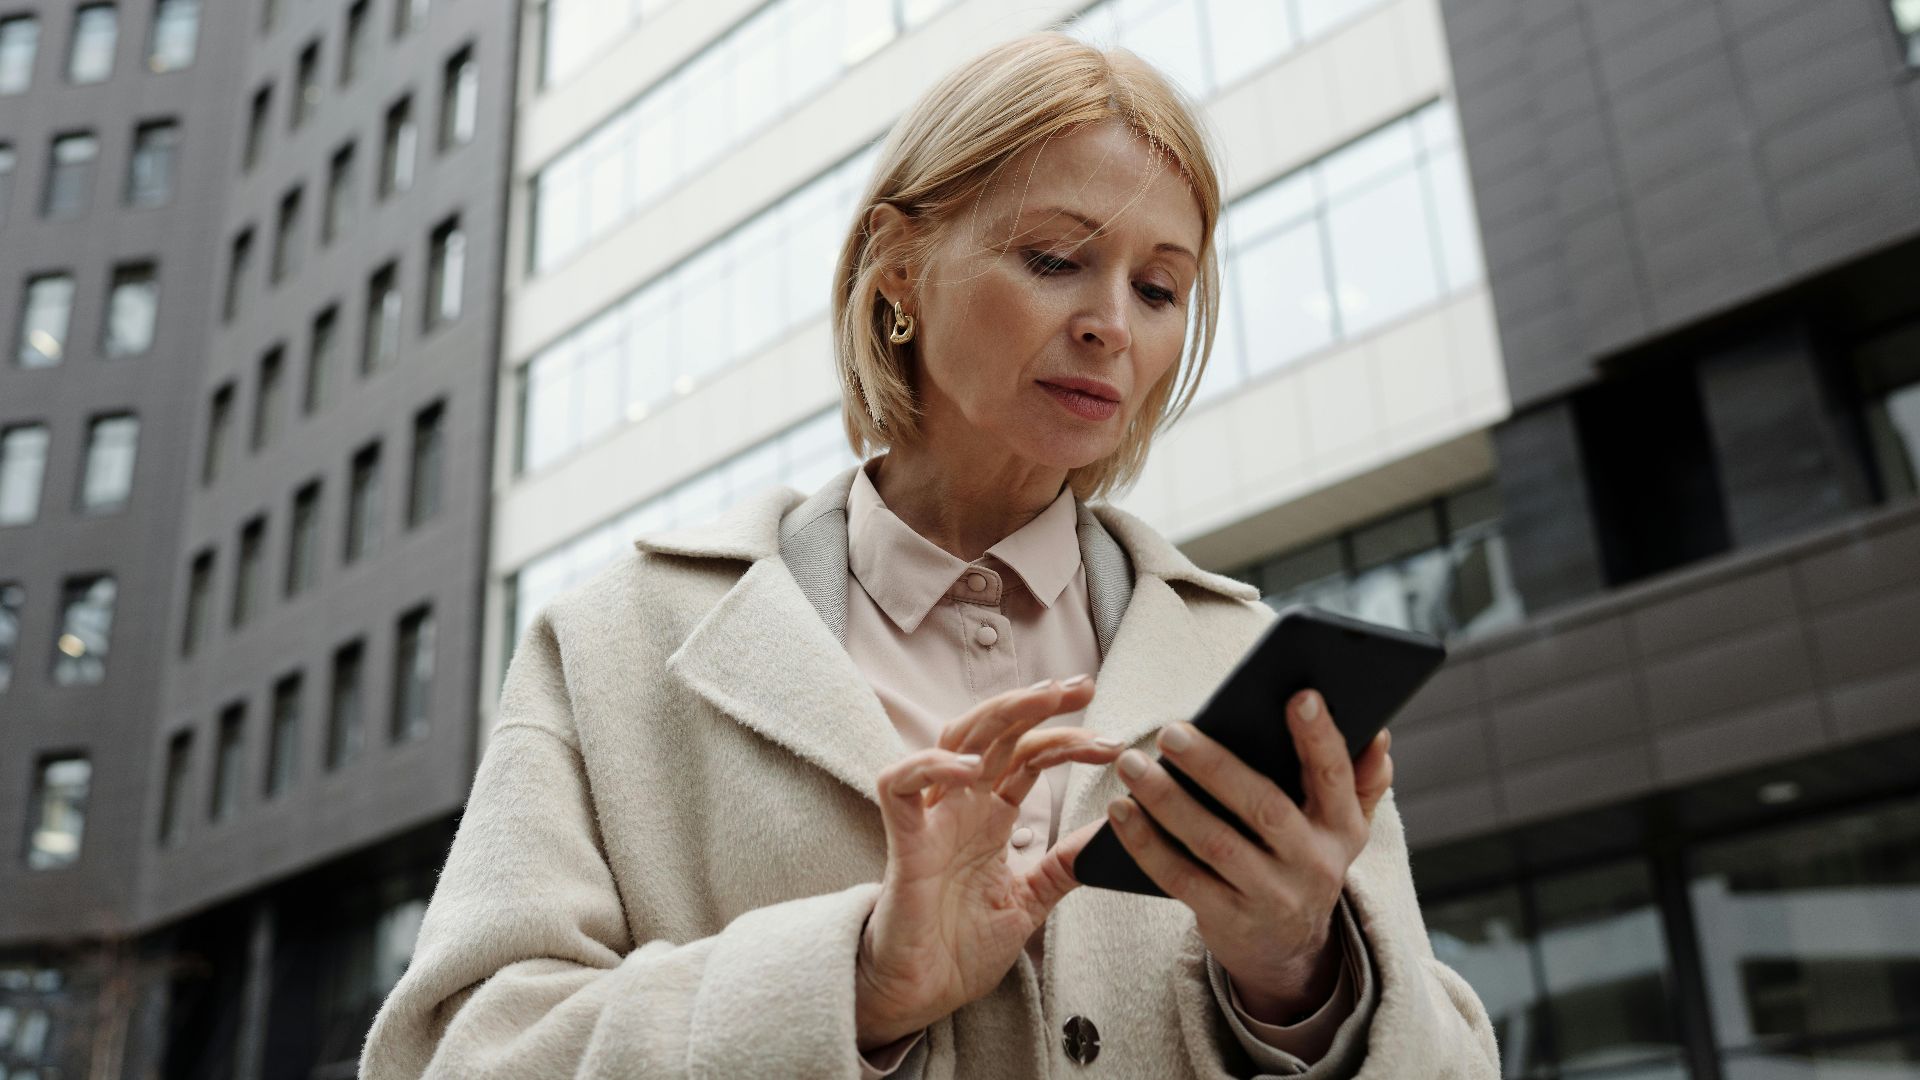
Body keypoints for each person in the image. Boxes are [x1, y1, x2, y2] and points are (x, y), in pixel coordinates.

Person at [359, 30, 1500, 1080]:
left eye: (1161, 289)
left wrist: (1299, 975)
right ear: (899, 270)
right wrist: (857, 983)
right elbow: (449, 1053)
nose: (1114, 322)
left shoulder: (1252, 665)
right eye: (1056, 258)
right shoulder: (617, 643)